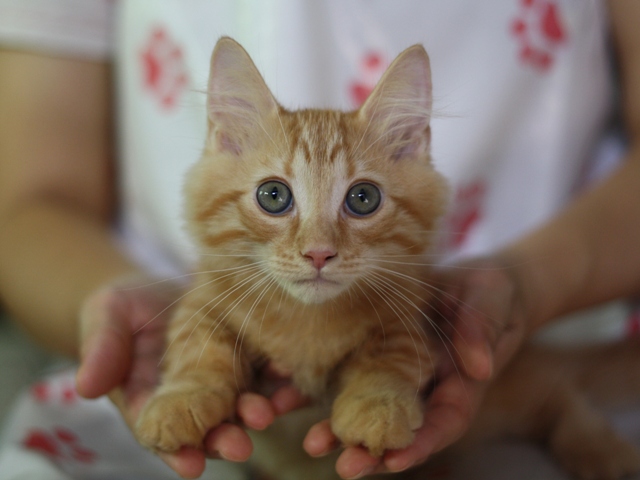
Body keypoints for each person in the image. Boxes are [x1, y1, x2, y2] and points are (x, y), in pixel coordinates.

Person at [0, 1, 639, 479]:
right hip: (170, 416)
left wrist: (528, 282)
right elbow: (31, 202)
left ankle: (557, 399)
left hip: (534, 322)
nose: (318, 245)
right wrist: (185, 369)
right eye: (275, 198)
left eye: (360, 201)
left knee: (474, 384)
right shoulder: (223, 290)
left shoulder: (398, 298)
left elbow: (400, 348)